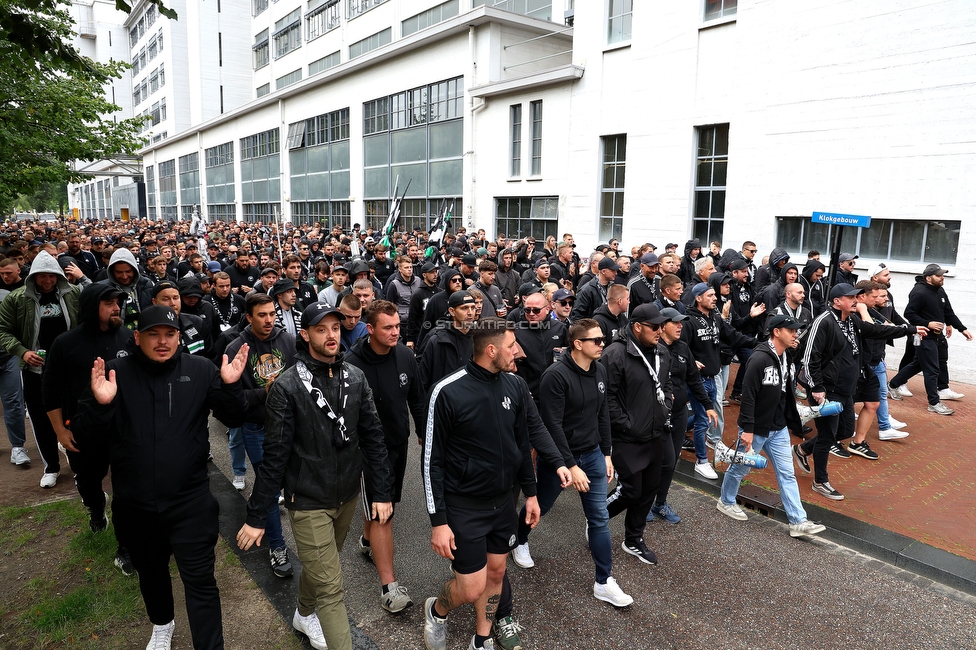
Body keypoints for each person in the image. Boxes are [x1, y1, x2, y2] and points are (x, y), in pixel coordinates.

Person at [76, 306, 249, 650]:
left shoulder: (200, 370)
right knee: (152, 574)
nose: (162, 341)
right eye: (153, 334)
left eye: (170, 334)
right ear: (137, 337)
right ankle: (162, 623)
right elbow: (84, 438)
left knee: (200, 580)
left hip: (190, 502)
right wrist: (100, 406)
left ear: (179, 338)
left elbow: (234, 416)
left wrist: (230, 387)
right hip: (135, 504)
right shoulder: (114, 374)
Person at [237, 302, 392, 650]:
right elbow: (274, 456)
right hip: (307, 500)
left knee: (323, 565)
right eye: (321, 330)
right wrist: (257, 515)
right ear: (305, 336)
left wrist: (381, 491)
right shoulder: (287, 387)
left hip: (347, 495)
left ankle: (303, 614)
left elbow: (373, 437)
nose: (331, 335)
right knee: (332, 587)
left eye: (336, 328)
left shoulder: (355, 376)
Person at [422, 318, 541, 650]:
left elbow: (522, 445)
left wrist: (530, 494)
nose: (518, 352)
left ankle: (483, 638)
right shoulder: (445, 391)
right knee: (471, 588)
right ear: (491, 350)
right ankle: (436, 609)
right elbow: (431, 461)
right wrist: (438, 521)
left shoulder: (515, 386)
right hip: (464, 507)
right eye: (511, 346)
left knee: (497, 575)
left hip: (503, 504)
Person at [513, 318, 634, 607]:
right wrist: (570, 464)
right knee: (541, 505)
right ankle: (519, 540)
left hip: (591, 454)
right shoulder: (555, 376)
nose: (602, 344)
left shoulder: (600, 370)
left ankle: (604, 581)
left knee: (599, 519)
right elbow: (551, 425)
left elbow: (602, 414)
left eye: (603, 339)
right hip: (558, 458)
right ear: (578, 344)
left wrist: (606, 454)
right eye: (597, 340)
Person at [794, 284, 925, 500]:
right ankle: (821, 481)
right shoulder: (824, 322)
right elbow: (810, 358)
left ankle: (802, 450)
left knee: (844, 431)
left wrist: (908, 329)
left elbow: (875, 330)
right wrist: (816, 388)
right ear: (837, 301)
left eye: (857, 297)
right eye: (851, 297)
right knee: (827, 436)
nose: (857, 301)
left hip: (846, 390)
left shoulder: (852, 319)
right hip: (827, 390)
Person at [42, 283, 135, 571]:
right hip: (82, 429)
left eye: (118, 302)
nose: (116, 307)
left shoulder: (129, 338)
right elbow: (50, 391)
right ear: (90, 306)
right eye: (108, 303)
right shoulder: (66, 343)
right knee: (88, 482)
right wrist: (60, 430)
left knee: (127, 490)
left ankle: (126, 547)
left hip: (122, 429)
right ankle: (96, 507)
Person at [346, 300, 427, 614]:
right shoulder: (352, 363)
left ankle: (367, 544)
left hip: (398, 443)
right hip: (366, 451)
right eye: (388, 328)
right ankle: (389, 587)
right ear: (370, 329)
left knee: (385, 502)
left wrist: (422, 430)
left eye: (397, 327)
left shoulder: (406, 355)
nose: (396, 332)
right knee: (383, 512)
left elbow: (417, 399)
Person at [716, 314, 827, 538]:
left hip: (779, 428)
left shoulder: (785, 355)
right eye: (791, 330)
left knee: (787, 473)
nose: (795, 333)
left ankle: (798, 521)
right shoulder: (758, 359)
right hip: (755, 428)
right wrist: (747, 429)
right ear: (777, 332)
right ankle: (726, 501)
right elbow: (747, 396)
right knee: (740, 468)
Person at [225, 292, 297, 579]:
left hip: (289, 423)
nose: (269, 320)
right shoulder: (235, 347)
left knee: (293, 483)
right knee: (267, 485)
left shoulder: (286, 341)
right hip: (256, 427)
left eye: (272, 314)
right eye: (262, 315)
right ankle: (277, 546)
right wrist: (263, 393)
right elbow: (232, 400)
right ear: (249, 317)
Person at [0, 251, 81, 488]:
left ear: (58, 276)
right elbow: (3, 330)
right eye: (42, 277)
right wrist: (22, 351)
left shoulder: (73, 295)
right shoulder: (16, 299)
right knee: (41, 419)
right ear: (33, 276)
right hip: (34, 371)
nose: (47, 281)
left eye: (52, 276)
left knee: (73, 418)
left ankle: (78, 466)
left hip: (69, 370)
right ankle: (51, 467)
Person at [601, 304, 672, 566]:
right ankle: (597, 518)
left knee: (648, 490)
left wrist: (667, 408)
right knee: (631, 490)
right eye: (655, 327)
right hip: (626, 437)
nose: (660, 330)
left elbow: (667, 385)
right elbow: (606, 398)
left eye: (661, 326)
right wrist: (627, 424)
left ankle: (633, 539)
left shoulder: (662, 352)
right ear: (637, 327)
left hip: (655, 434)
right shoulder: (615, 354)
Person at [654, 307, 716, 523]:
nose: (681, 326)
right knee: (654, 461)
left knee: (671, 462)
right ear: (662, 327)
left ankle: (659, 503)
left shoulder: (682, 348)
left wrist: (708, 405)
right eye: (676, 323)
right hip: (656, 415)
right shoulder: (652, 349)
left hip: (679, 413)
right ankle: (642, 503)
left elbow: (693, 379)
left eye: (682, 322)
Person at [888, 264, 972, 415]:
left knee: (918, 364)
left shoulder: (940, 290)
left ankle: (893, 384)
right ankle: (934, 403)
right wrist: (928, 324)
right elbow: (909, 313)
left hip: (938, 337)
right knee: (932, 370)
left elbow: (948, 312)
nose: (942, 278)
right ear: (928, 278)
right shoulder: (919, 292)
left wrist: (962, 329)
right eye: (939, 276)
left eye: (943, 275)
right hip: (924, 336)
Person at [419, 290, 476, 391]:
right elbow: (423, 378)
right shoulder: (436, 339)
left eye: (472, 308)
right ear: (452, 311)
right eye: (464, 308)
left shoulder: (479, 338)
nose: (470, 313)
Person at [571, 256, 617, 321]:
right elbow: (577, 315)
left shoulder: (613, 287)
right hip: (592, 328)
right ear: (603, 271)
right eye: (613, 270)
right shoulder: (587, 290)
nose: (616, 273)